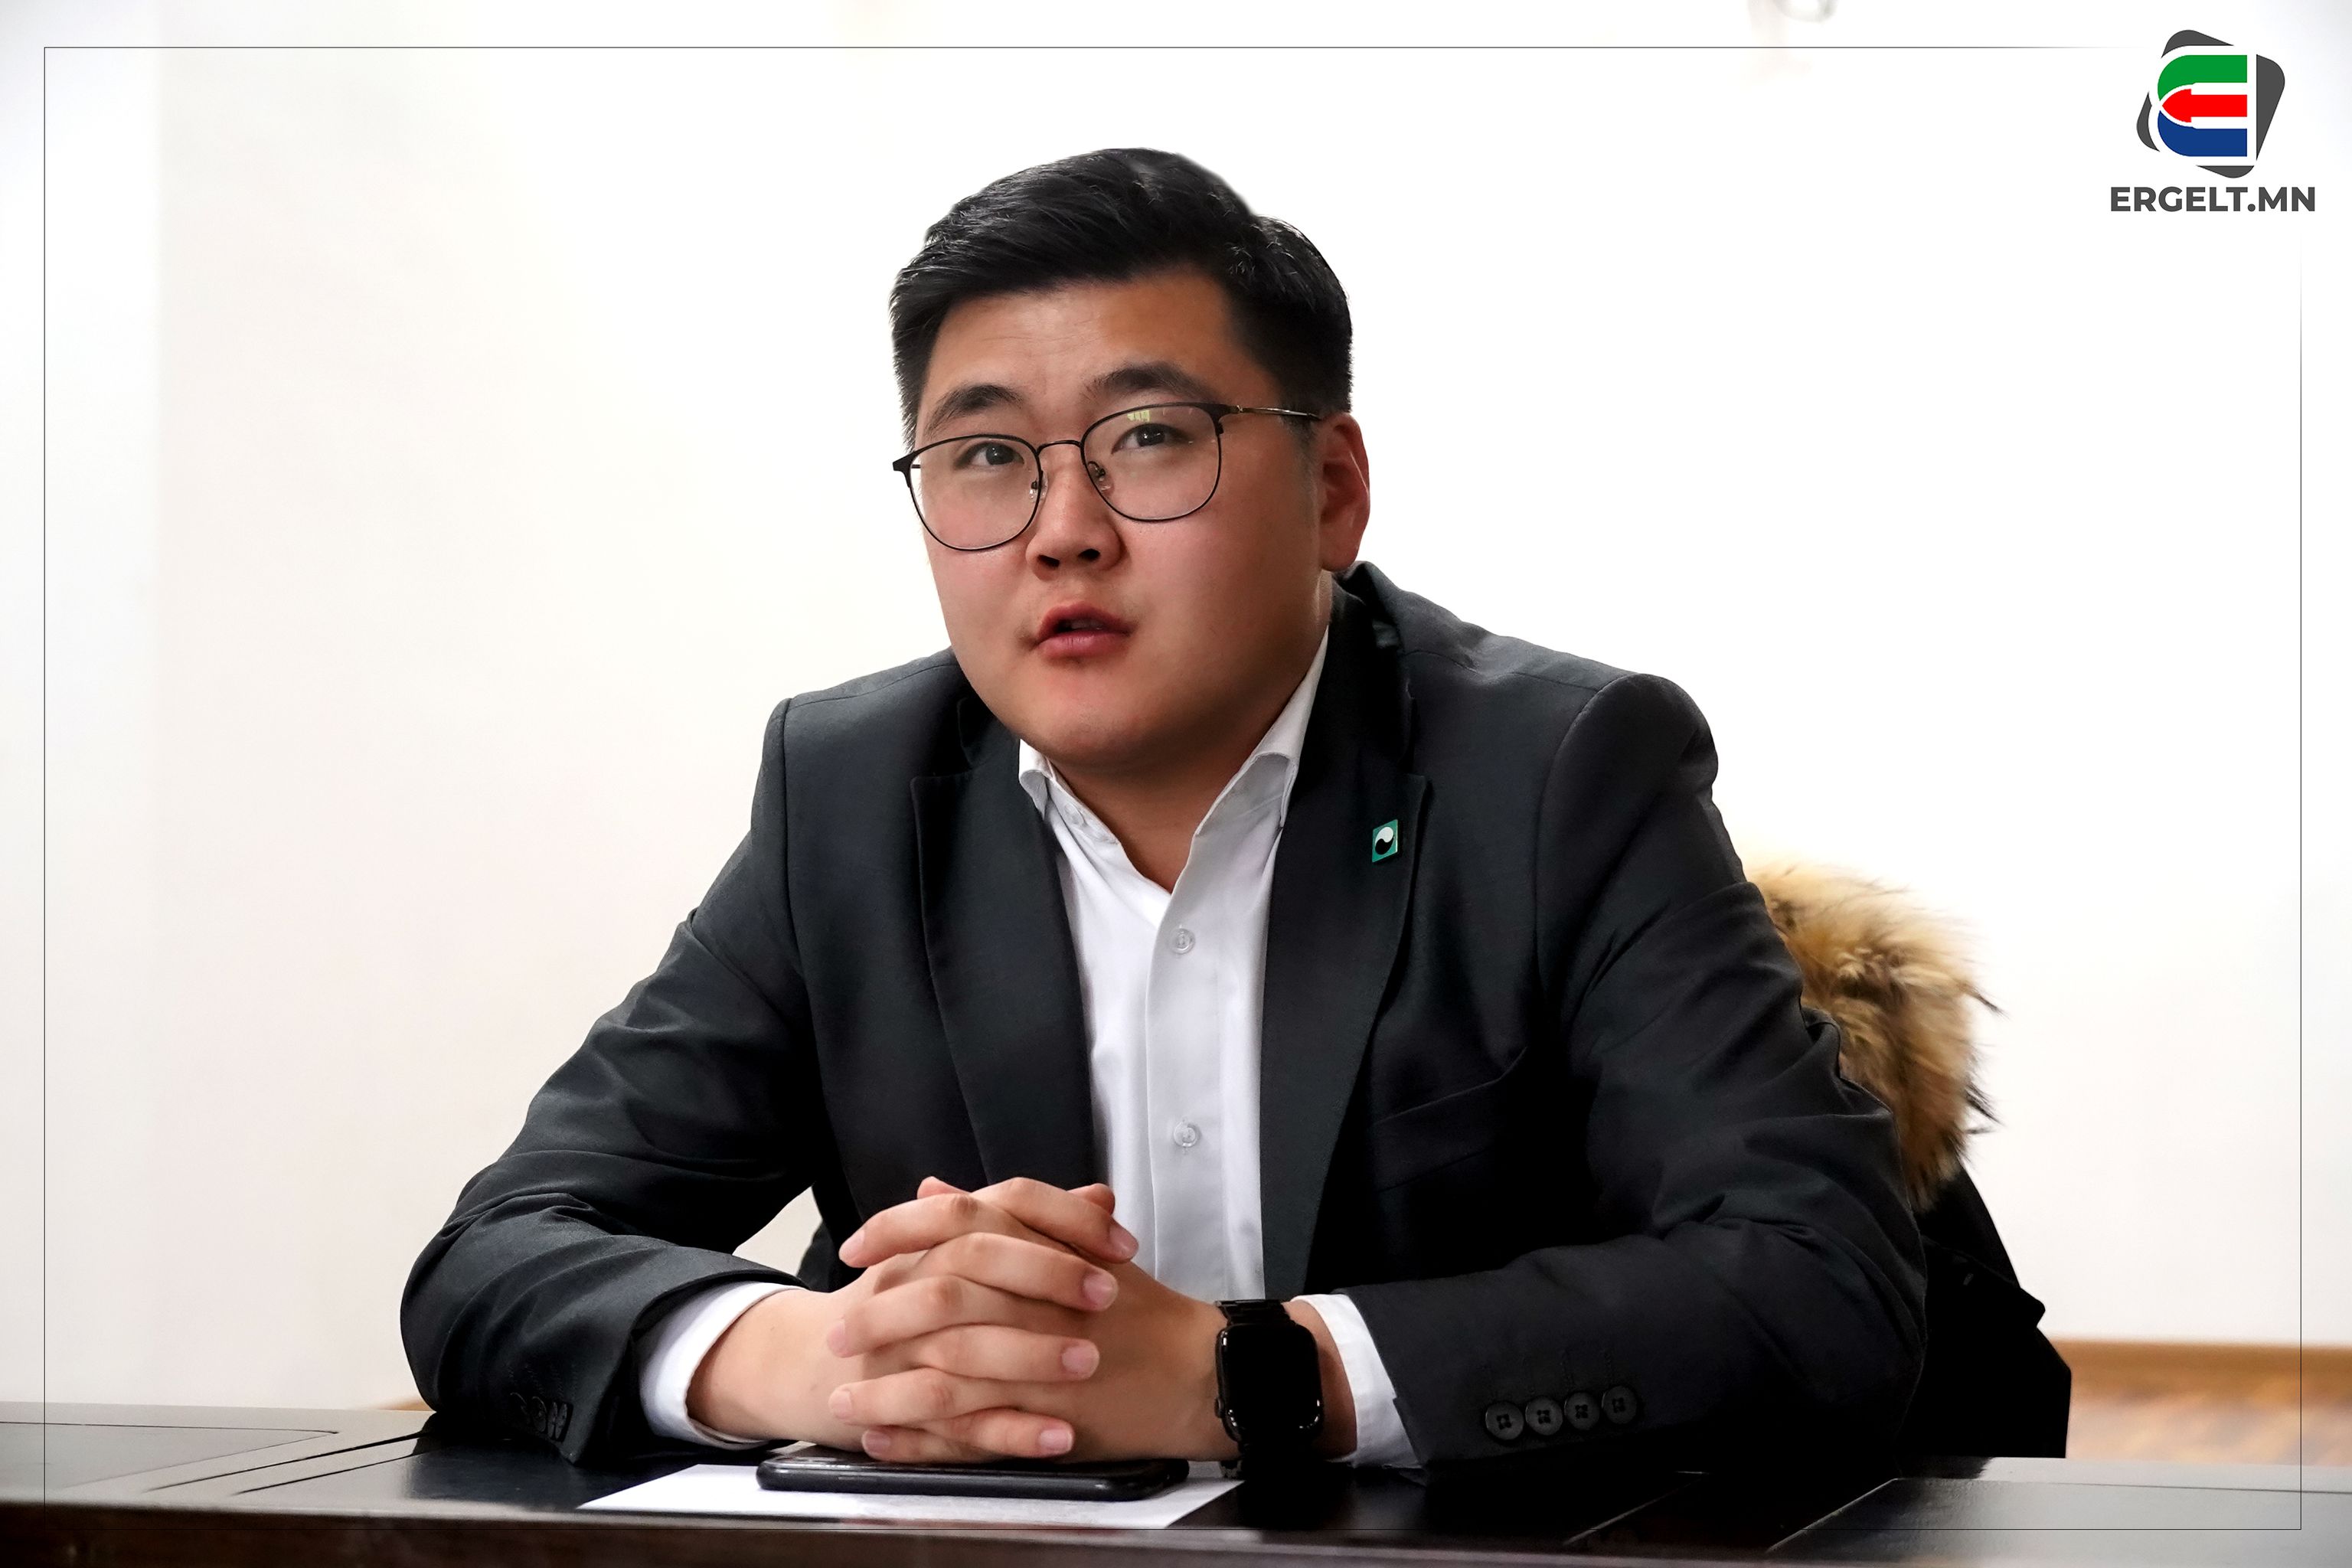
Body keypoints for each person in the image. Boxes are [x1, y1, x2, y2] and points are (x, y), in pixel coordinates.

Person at [403, 149, 2018, 1474]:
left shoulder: (1560, 773)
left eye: (1151, 438)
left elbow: (1816, 1288)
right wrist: (819, 1357)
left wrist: (1247, 1374)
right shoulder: (851, 793)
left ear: (1333, 490)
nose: (1062, 528)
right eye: (985, 457)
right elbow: (503, 1248)